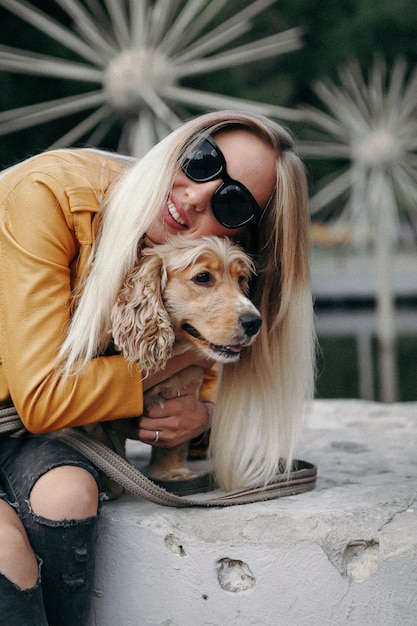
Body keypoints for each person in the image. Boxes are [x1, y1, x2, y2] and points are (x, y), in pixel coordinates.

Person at [0, 110, 315, 625]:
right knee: (7, 553)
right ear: (181, 145)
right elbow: (43, 399)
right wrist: (191, 352)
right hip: (30, 414)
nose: (194, 196)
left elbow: (200, 366)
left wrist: (202, 418)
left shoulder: (181, 257)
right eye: (201, 161)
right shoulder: (48, 195)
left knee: (71, 494)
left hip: (35, 435)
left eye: (231, 202)